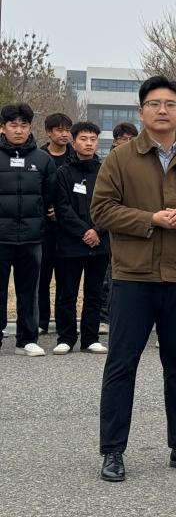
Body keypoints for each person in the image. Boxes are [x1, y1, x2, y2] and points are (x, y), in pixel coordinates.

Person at [92, 76, 176, 483]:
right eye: (154, 104)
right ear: (141, 112)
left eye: (170, 104)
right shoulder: (120, 159)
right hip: (134, 277)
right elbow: (101, 210)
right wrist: (150, 219)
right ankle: (113, 451)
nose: (162, 110)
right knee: (121, 365)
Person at [0, 102, 57, 357]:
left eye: (23, 125)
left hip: (32, 237)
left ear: (30, 128)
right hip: (1, 237)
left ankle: (26, 340)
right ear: (3, 128)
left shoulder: (42, 159)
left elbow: (49, 194)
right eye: (13, 125)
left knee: (29, 291)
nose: (18, 130)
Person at [53, 121, 109, 354]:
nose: (88, 143)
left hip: (100, 242)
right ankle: (66, 337)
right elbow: (62, 207)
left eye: (93, 139)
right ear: (74, 142)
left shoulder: (106, 171)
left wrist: (98, 230)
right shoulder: (63, 173)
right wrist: (84, 231)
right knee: (67, 293)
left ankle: (90, 337)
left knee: (94, 293)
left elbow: (112, 205)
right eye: (83, 139)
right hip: (70, 243)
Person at [99, 122, 138, 333]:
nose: (128, 143)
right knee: (109, 277)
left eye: (132, 139)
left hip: (134, 226)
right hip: (109, 227)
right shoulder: (108, 163)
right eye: (124, 139)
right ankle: (105, 317)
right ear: (115, 141)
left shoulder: (141, 163)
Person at [38, 112, 74, 336]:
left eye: (68, 130)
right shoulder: (38, 157)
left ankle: (64, 323)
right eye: (59, 130)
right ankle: (41, 320)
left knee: (65, 279)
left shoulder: (74, 158)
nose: (64, 134)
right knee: (42, 277)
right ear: (49, 132)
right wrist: (47, 209)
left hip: (68, 229)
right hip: (43, 229)